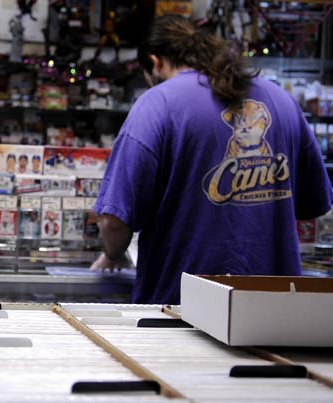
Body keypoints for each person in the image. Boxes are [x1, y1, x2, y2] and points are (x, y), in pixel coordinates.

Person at [92, 15, 332, 304]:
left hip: (180, 312)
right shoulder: (282, 101)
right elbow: (315, 204)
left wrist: (112, 254)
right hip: (276, 311)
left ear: (156, 63)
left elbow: (114, 222)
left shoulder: (158, 104)